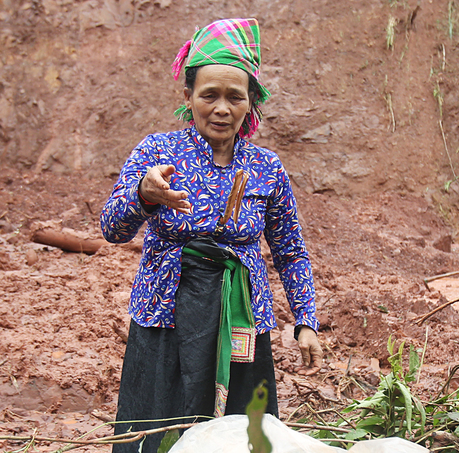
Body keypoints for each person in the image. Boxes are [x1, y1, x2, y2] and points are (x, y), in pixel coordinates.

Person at [100, 18, 322, 452]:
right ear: (188, 98)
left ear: (251, 104)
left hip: (241, 318)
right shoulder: (156, 151)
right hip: (166, 316)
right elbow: (111, 228)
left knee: (241, 434)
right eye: (209, 95)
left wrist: (305, 323)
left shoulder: (266, 168)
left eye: (234, 97)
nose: (221, 108)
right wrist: (143, 196)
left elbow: (290, 251)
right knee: (156, 433)